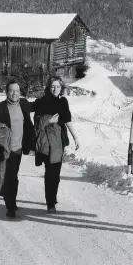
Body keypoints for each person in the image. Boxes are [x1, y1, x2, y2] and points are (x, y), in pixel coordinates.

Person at [0, 80, 35, 218]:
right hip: (4, 150)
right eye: (12, 90)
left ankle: (12, 200)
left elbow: (39, 106)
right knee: (8, 177)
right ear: (6, 92)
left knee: (14, 177)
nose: (15, 93)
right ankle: (10, 206)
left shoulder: (24, 104)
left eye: (17, 91)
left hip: (18, 149)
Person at [31, 76, 80, 213]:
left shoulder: (63, 102)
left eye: (58, 86)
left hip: (59, 141)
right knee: (50, 172)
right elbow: (37, 123)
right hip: (46, 141)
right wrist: (49, 121)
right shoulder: (42, 102)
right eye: (53, 86)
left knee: (56, 173)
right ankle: (50, 202)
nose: (55, 89)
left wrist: (75, 137)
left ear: (61, 88)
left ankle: (52, 197)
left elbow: (67, 120)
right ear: (48, 87)